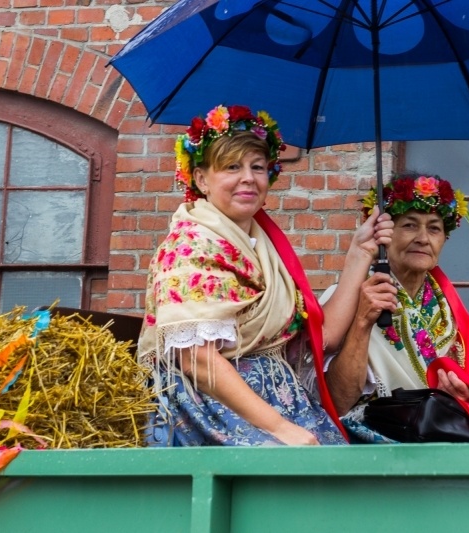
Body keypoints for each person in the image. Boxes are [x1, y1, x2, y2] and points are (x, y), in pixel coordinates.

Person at [137, 104, 393, 446]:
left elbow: (323, 337)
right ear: (201, 179)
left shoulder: (262, 248)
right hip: (209, 407)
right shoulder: (191, 245)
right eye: (231, 167)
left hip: (277, 402)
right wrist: (281, 429)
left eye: (257, 167)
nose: (248, 177)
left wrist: (360, 253)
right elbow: (196, 359)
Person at [321, 173, 469, 443]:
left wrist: (458, 399)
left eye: (434, 228)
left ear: (444, 239)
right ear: (384, 233)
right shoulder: (348, 299)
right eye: (410, 225)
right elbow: (337, 403)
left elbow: (468, 400)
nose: (423, 238)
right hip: (370, 441)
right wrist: (362, 322)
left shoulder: (447, 310)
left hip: (435, 435)